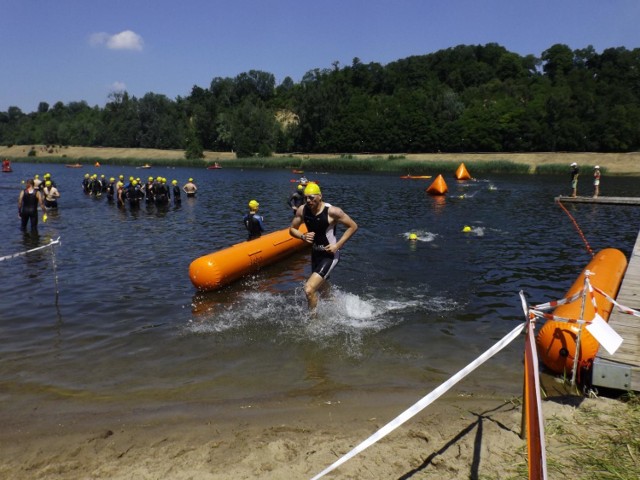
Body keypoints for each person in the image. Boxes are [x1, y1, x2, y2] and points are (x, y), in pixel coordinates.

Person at [289, 183, 358, 312]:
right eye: (306, 198)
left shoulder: (333, 211)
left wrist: (338, 245)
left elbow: (353, 226)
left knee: (309, 289)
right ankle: (343, 310)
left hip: (329, 255)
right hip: (315, 254)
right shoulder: (302, 210)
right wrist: (302, 236)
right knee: (324, 293)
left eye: (311, 197)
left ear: (320, 196)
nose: (308, 201)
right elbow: (292, 229)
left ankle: (313, 322)